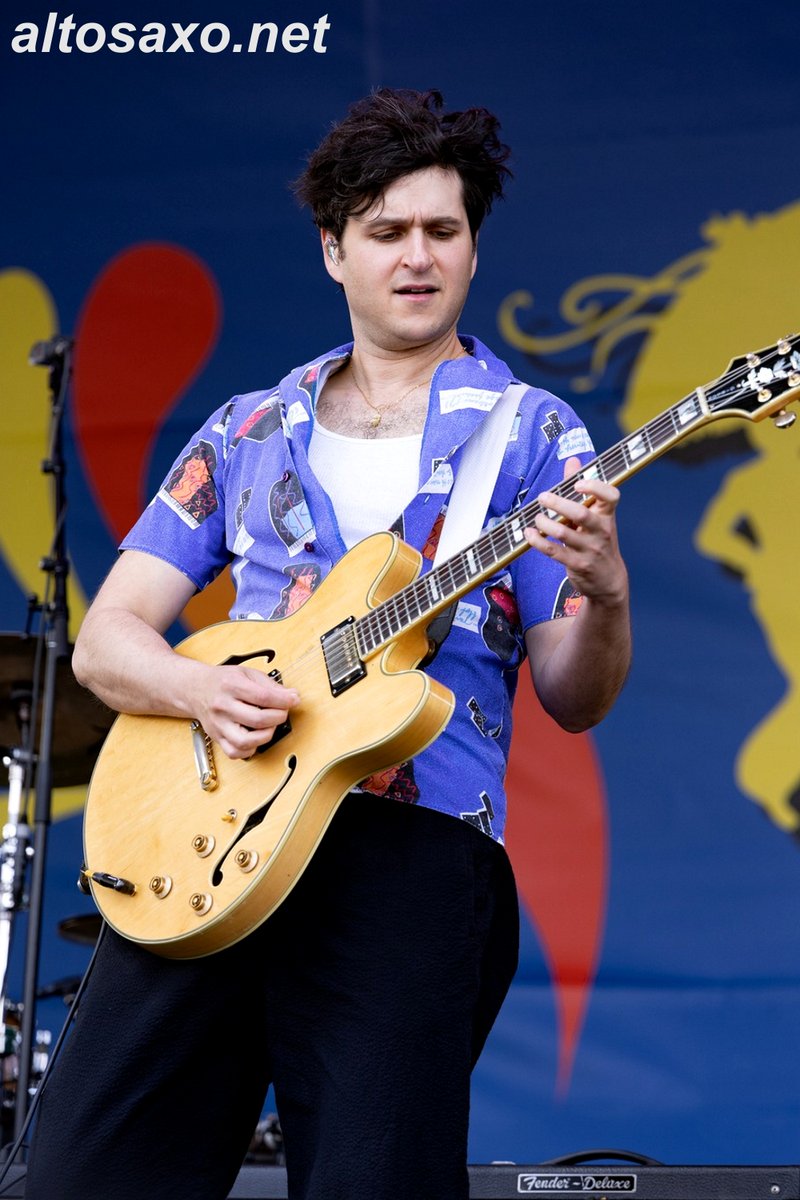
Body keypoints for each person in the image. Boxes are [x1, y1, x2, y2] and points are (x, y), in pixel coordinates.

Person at [25, 89, 630, 1200]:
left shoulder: (534, 433)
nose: (415, 257)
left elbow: (572, 691)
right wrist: (199, 695)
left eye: (440, 231)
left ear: (471, 250)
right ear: (332, 252)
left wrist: (605, 593)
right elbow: (108, 641)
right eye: (385, 232)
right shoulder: (248, 426)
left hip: (410, 856)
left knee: (374, 1182)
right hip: (210, 840)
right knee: (78, 1175)